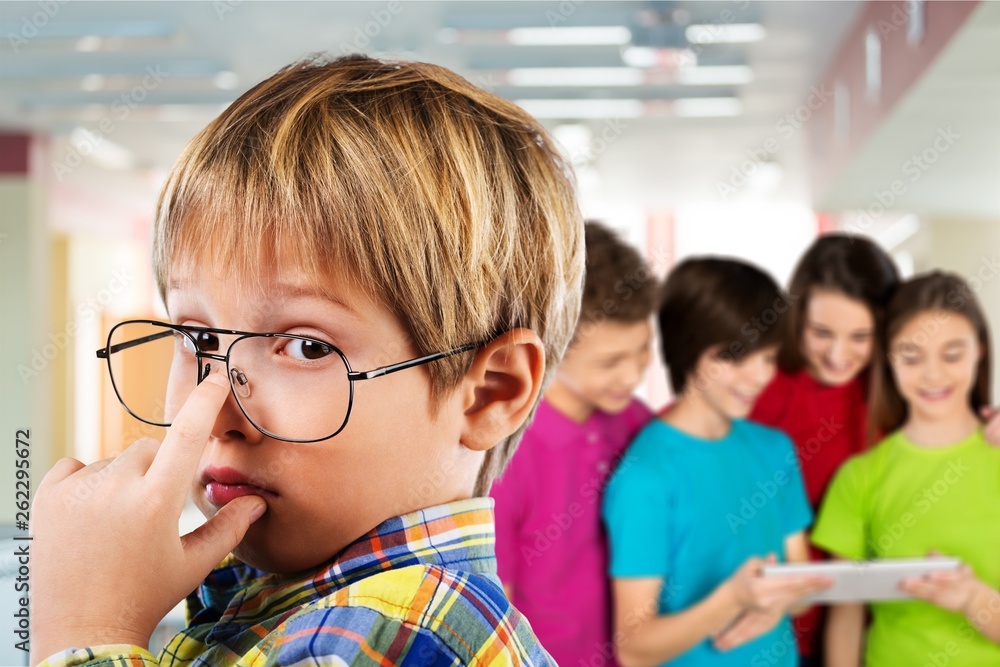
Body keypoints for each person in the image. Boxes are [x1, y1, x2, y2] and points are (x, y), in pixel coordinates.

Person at [31, 54, 586, 665]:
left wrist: (85, 625)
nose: (218, 414)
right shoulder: (289, 606)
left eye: (307, 347)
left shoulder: (384, 636)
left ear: (490, 393)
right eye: (199, 340)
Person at [603, 257, 831, 667]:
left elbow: (801, 583)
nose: (760, 377)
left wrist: (773, 604)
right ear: (687, 347)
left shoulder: (775, 448)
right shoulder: (645, 477)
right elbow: (634, 649)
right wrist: (732, 601)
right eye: (736, 359)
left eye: (768, 357)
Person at [812, 271, 1000, 667]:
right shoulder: (859, 477)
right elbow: (846, 615)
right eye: (912, 357)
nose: (933, 375)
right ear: (888, 359)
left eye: (952, 355)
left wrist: (974, 600)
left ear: (979, 350)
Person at [490, 221, 656, 666]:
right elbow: (495, 614)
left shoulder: (637, 423)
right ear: (553, 345)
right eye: (611, 361)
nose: (633, 375)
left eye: (643, 350)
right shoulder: (505, 452)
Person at [748, 233, 898, 665]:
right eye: (821, 332)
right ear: (797, 319)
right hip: (767, 631)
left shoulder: (895, 398)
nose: (838, 354)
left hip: (868, 636)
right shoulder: (759, 385)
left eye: (860, 336)